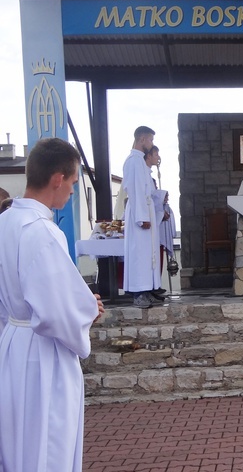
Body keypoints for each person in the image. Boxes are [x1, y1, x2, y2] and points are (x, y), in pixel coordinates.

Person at [0, 137, 104, 472]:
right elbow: (56, 313)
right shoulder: (43, 232)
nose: (72, 192)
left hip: (11, 345)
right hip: (42, 356)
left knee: (15, 441)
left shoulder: (5, 224)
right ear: (57, 179)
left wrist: (77, 304)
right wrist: (89, 312)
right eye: (73, 183)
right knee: (47, 443)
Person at [122, 126, 161, 308]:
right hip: (140, 211)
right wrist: (142, 217)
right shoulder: (134, 161)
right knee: (139, 253)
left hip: (145, 209)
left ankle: (147, 289)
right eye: (151, 140)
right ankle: (138, 293)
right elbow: (136, 190)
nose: (151, 144)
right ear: (143, 139)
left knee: (147, 252)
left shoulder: (140, 162)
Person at [144, 145, 170, 289]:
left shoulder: (148, 175)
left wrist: (162, 200)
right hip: (145, 220)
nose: (158, 157)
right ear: (148, 156)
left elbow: (153, 198)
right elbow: (147, 199)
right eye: (156, 154)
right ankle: (149, 287)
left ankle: (154, 285)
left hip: (153, 219)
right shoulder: (142, 173)